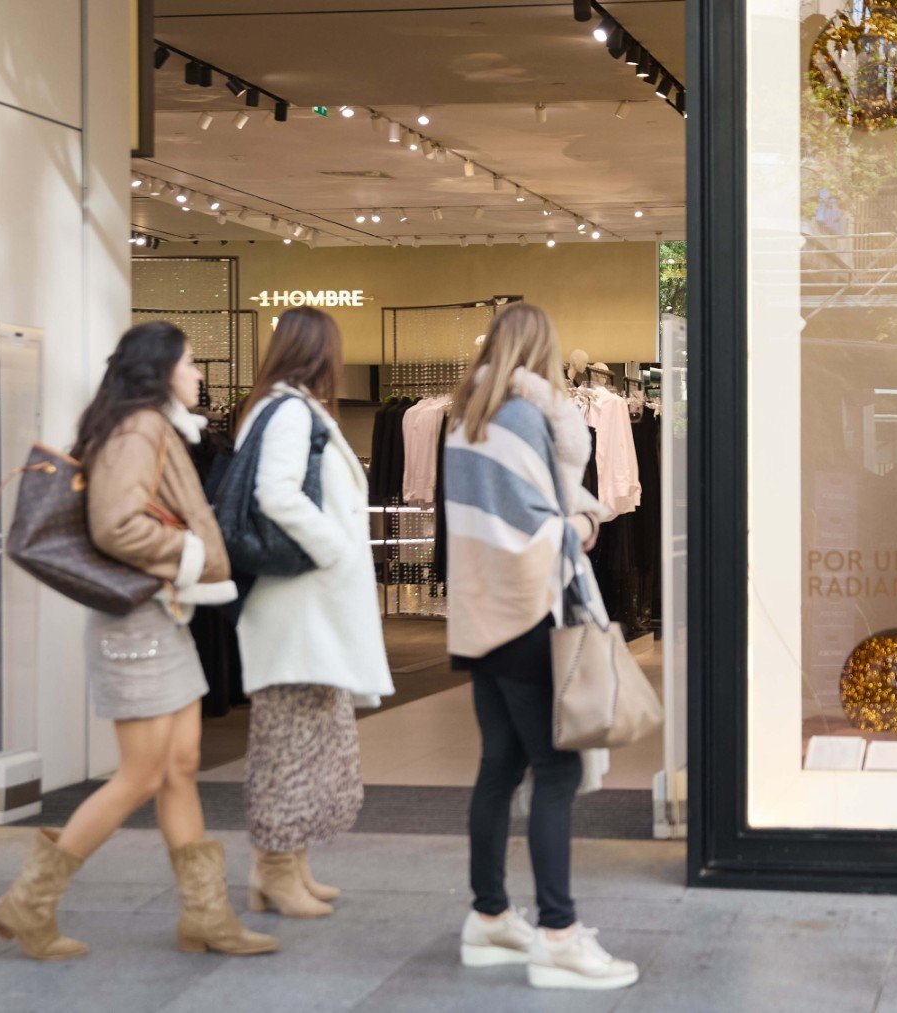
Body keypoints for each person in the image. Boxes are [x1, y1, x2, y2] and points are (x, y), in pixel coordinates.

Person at [0, 322, 277, 959]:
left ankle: (207, 917)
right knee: (144, 773)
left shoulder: (144, 425)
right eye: (191, 362)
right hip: (138, 621)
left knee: (177, 767)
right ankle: (28, 903)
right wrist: (192, 552)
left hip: (158, 617)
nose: (199, 373)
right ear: (160, 369)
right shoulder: (140, 428)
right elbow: (116, 524)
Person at [442, 303, 639, 991]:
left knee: (499, 764)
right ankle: (557, 933)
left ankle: (490, 914)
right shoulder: (526, 416)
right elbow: (545, 521)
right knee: (555, 773)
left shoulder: (466, 418)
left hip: (481, 616)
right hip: (528, 613)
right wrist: (582, 520)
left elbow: (492, 516)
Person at [234, 306, 394, 917]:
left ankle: (287, 864)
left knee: (306, 740)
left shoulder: (284, 408)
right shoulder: (291, 412)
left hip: (304, 608)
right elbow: (275, 493)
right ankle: (276, 868)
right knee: (288, 744)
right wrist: (336, 547)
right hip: (296, 606)